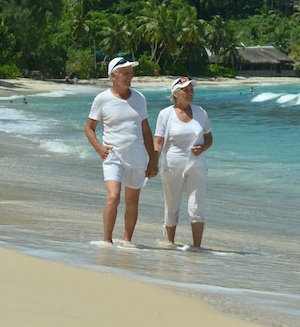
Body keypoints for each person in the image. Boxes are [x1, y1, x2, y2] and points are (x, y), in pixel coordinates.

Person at [84, 57, 158, 247]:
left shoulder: (139, 98)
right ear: (113, 76)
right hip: (113, 156)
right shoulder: (102, 99)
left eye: (130, 72)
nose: (129, 76)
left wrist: (153, 159)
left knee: (132, 202)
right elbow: (89, 128)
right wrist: (99, 148)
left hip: (137, 157)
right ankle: (107, 240)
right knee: (113, 197)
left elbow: (146, 130)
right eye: (125, 73)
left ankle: (126, 241)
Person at [154, 77, 213, 250]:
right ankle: (170, 244)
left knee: (196, 206)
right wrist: (153, 161)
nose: (190, 93)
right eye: (186, 90)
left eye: (191, 90)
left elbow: (209, 138)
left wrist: (202, 148)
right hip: (172, 165)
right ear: (175, 93)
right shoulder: (166, 114)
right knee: (172, 204)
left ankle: (197, 247)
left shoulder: (201, 112)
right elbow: (158, 141)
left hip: (197, 165)